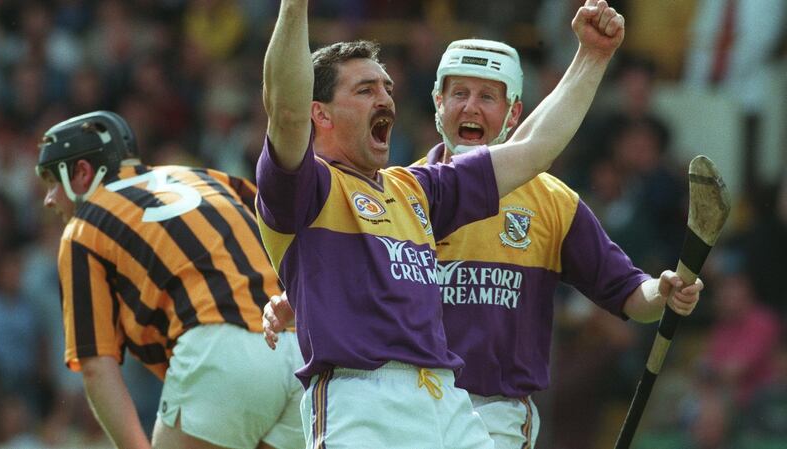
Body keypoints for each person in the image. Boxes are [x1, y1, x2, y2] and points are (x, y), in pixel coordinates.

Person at [263, 29, 704, 449]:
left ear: (513, 112)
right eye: (459, 93)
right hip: (372, 395)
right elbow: (286, 115)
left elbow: (536, 147)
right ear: (438, 102)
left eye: (487, 96)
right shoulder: (348, 187)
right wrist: (304, 297)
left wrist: (593, 56)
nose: (384, 99)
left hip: (457, 403)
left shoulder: (422, 192)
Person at [35, 110, 304, 449]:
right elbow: (282, 232)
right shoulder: (207, 176)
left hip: (219, 352)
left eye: (52, 182)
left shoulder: (83, 226)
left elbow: (95, 366)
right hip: (298, 348)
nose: (48, 199)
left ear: (83, 172)